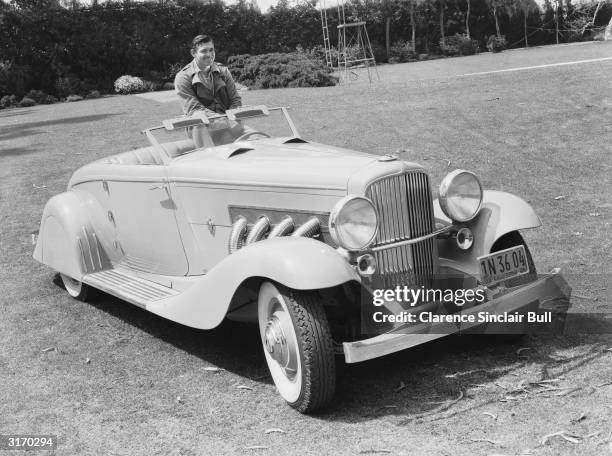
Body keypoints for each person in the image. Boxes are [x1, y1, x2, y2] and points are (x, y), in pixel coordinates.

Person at [174, 34, 242, 117]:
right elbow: (194, 110)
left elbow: (235, 100)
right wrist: (224, 120)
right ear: (193, 53)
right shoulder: (183, 77)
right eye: (204, 51)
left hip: (230, 124)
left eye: (211, 50)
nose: (209, 54)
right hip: (202, 127)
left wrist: (231, 118)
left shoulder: (223, 71)